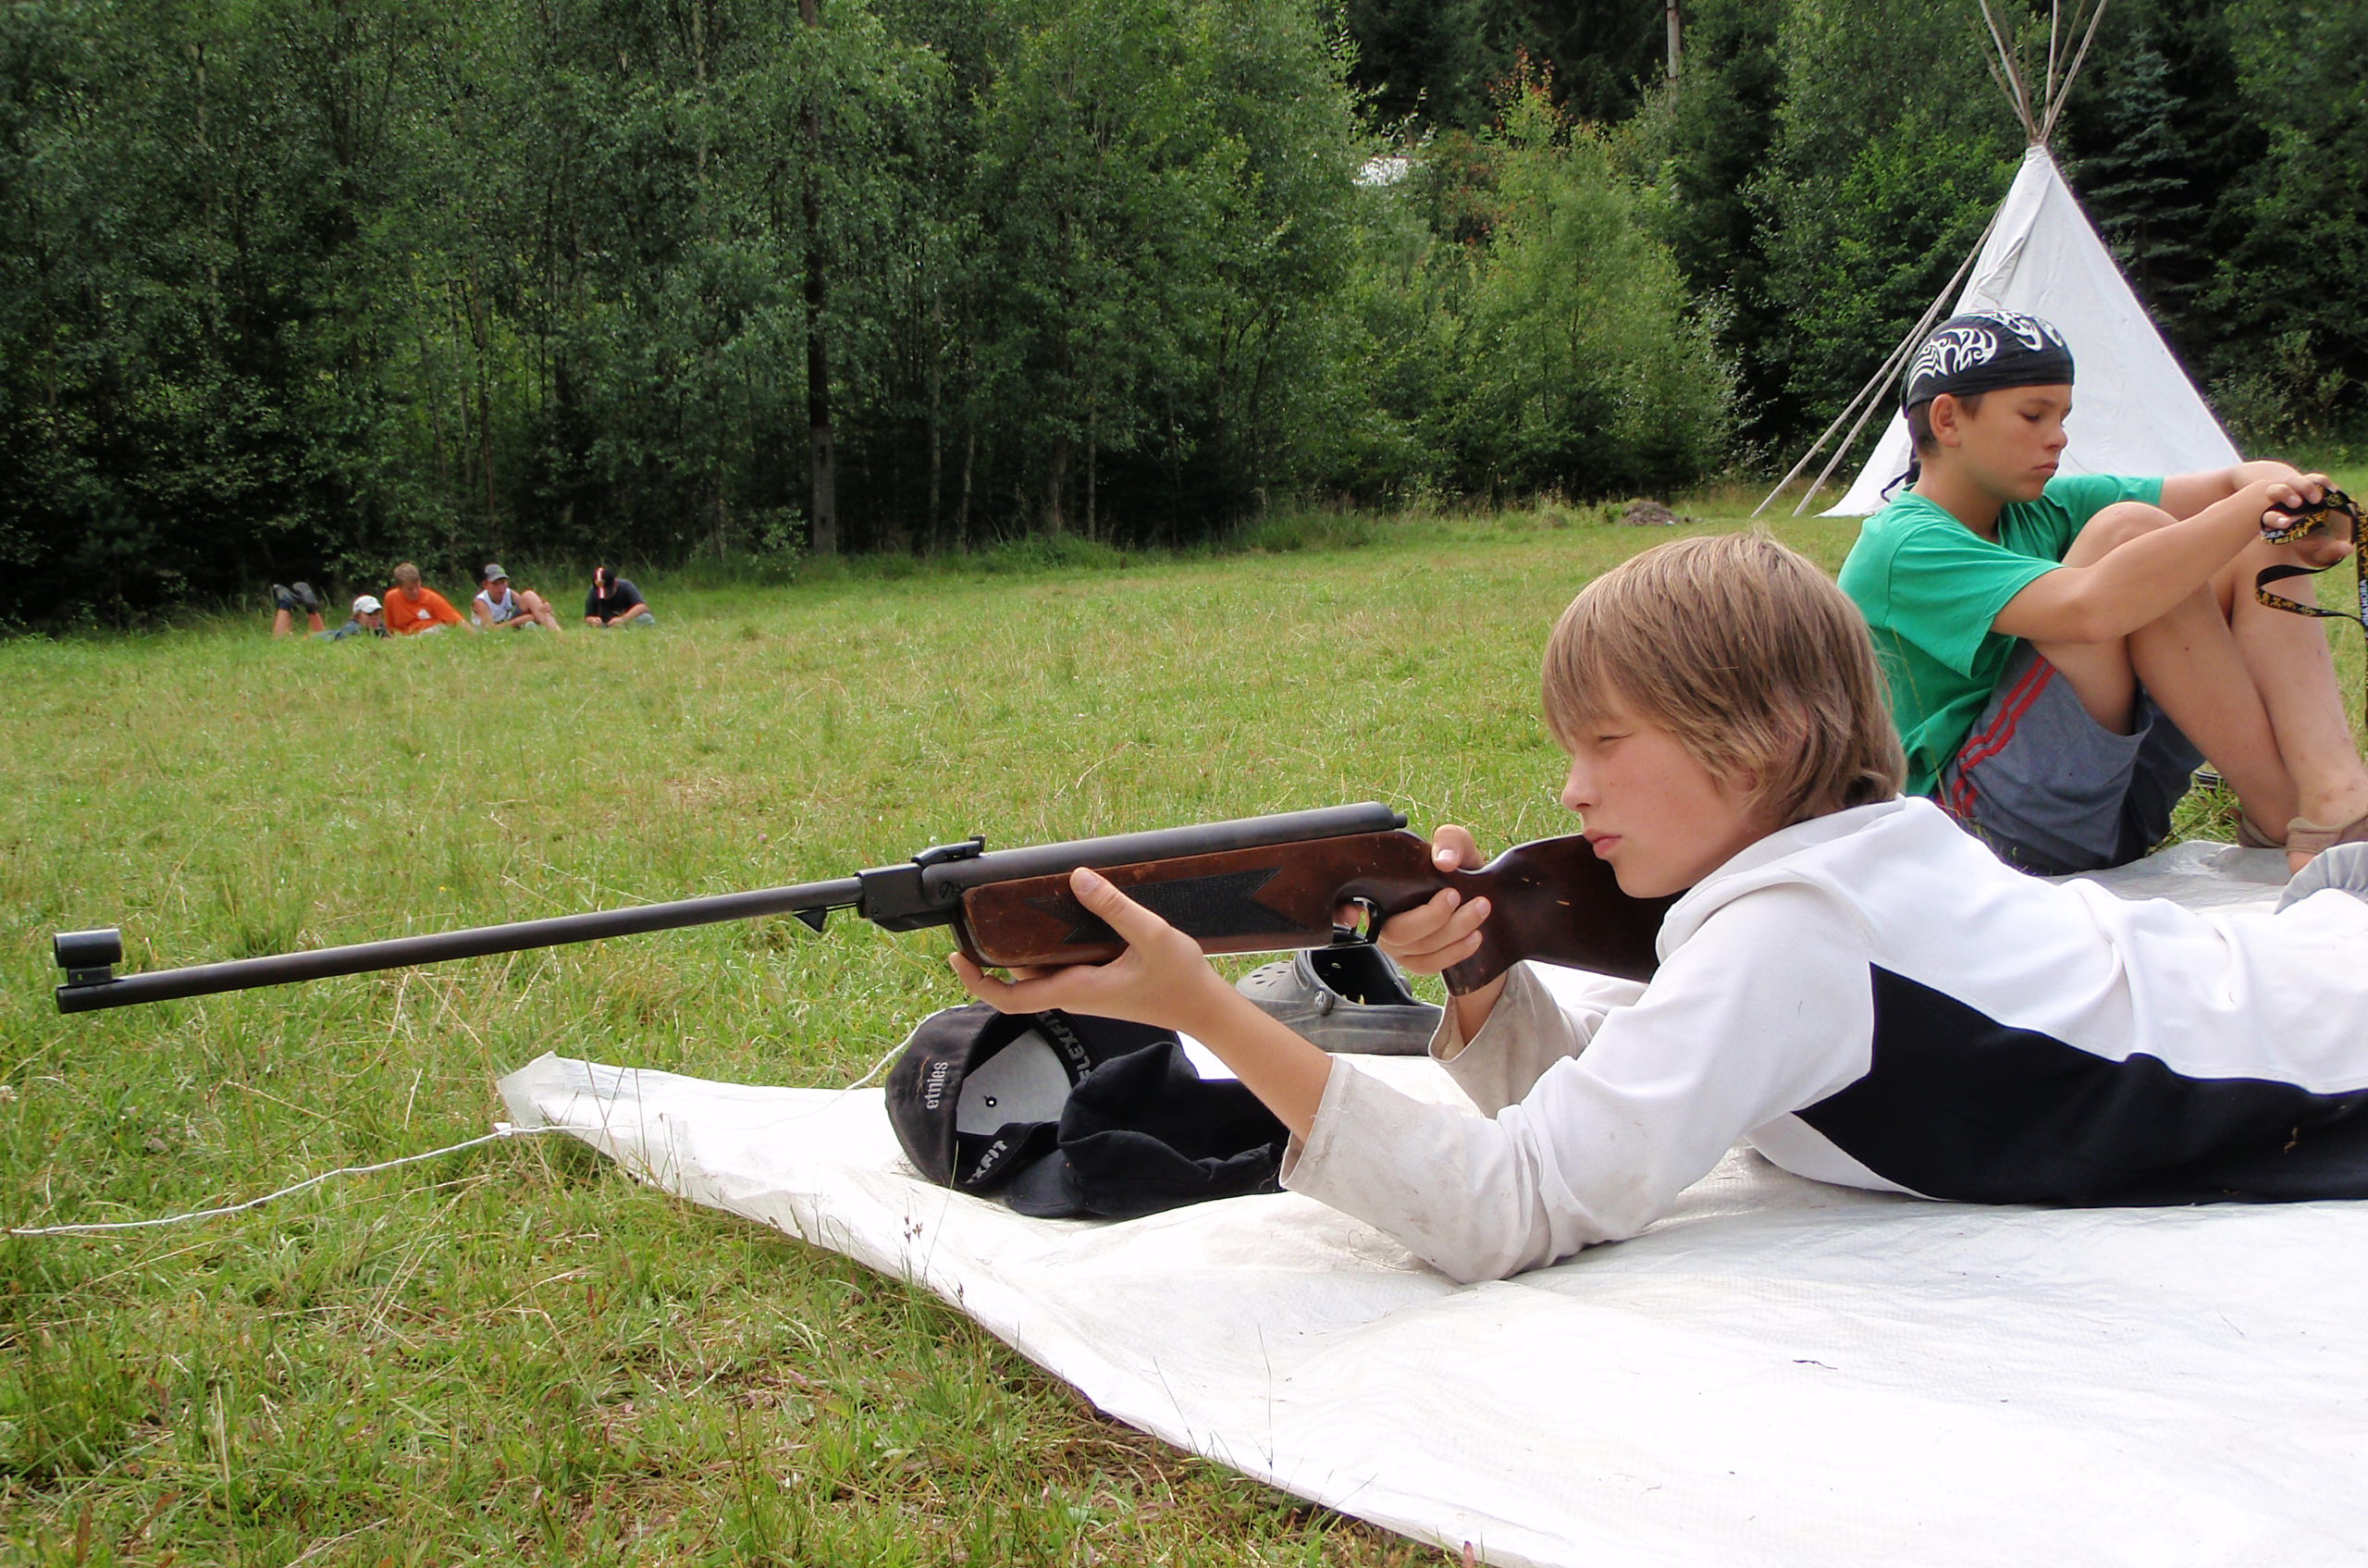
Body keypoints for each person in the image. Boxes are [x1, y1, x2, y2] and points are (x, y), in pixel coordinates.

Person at [949, 533, 2368, 1284]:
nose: (1572, 788)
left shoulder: (1793, 934)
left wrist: (1201, 1007)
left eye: (1608, 743)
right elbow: (1619, 1109)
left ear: (1761, 739)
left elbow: (1502, 1208)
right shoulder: (1850, 869)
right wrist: (1485, 974)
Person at [1837, 310, 2368, 877]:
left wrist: (2301, 502)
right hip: (1976, 833)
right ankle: (2284, 810)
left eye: (2062, 417)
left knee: (2256, 536)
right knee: (2135, 533)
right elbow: (2089, 610)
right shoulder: (1903, 545)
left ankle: (2334, 795)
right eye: (2034, 415)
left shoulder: (2044, 507)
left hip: (2107, 805)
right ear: (1947, 420)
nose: (2059, 437)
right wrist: (2255, 505)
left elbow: (2232, 484)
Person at [383, 562, 469, 636]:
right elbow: (390, 627)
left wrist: (473, 635)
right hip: (406, 636)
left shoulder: (430, 598)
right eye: (410, 589)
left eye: (417, 586)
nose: (415, 591)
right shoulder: (391, 597)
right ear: (400, 588)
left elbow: (456, 619)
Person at [584, 566, 653, 627]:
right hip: (606, 625)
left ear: (615, 583)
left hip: (628, 622)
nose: (604, 595)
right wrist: (593, 620)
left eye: (608, 591)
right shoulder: (593, 591)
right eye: (600, 592)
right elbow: (588, 616)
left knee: (646, 618)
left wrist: (622, 619)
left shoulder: (626, 586)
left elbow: (642, 606)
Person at [319, 593, 388, 641]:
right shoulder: (352, 630)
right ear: (357, 616)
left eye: (377, 613)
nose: (374, 617)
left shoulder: (380, 627)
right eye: (369, 614)